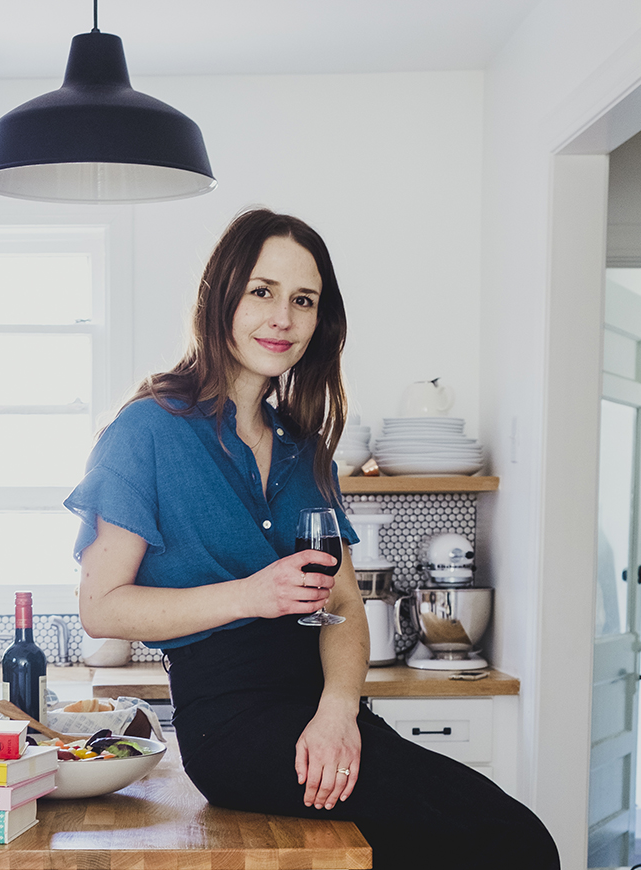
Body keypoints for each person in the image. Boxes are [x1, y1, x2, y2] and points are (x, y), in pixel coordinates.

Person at [64, 208, 560, 869]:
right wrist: (251, 595)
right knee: (509, 845)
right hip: (233, 723)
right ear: (221, 298)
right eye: (262, 292)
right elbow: (102, 606)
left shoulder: (306, 449)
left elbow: (345, 606)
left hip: (326, 707)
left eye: (304, 301)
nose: (283, 319)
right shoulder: (146, 432)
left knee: (505, 838)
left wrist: (337, 710)